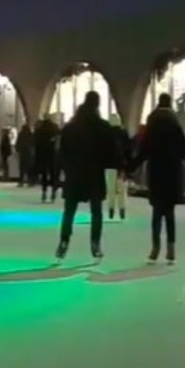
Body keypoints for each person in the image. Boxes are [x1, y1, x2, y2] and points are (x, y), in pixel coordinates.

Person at [128, 93, 185, 264]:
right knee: (169, 213)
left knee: (156, 212)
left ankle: (155, 249)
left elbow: (143, 152)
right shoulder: (175, 125)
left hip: (156, 173)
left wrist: (129, 168)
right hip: (172, 174)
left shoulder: (152, 125)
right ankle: (171, 250)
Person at [55, 92, 119, 261]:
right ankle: (95, 243)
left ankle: (64, 241)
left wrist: (66, 168)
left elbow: (62, 151)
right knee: (96, 211)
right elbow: (111, 152)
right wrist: (114, 166)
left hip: (75, 174)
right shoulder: (102, 127)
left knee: (69, 211)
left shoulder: (71, 127)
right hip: (94, 174)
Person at [105, 113, 131, 221]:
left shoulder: (106, 134)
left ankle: (111, 209)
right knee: (122, 190)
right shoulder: (123, 133)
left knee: (110, 189)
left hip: (109, 166)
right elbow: (128, 151)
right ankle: (122, 209)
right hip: (122, 167)